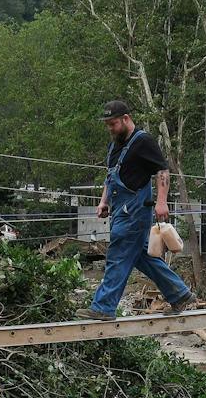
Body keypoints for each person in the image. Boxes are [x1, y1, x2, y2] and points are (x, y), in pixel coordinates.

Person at [77, 100, 194, 320]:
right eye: (107, 125)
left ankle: (103, 307)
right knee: (141, 255)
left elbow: (162, 170)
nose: (110, 128)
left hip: (135, 212)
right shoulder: (115, 145)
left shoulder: (143, 141)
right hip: (120, 209)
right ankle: (179, 293)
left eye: (113, 124)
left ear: (126, 119)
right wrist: (103, 202)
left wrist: (161, 202)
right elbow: (110, 176)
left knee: (118, 255)